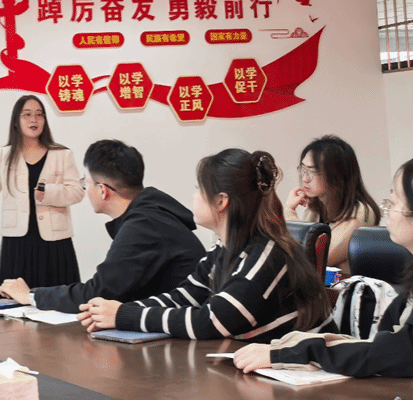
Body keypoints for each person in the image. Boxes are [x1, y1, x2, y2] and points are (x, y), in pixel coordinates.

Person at [77, 149, 332, 342]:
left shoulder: (266, 253)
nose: (194, 196)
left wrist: (124, 316)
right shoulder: (224, 248)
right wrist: (115, 311)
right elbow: (184, 297)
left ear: (221, 201)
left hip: (302, 374)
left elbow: (213, 320)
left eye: (199, 189)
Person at [234, 159, 413, 378]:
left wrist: (289, 353)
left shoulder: (358, 214)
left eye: (395, 200)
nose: (387, 209)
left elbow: (391, 352)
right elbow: (380, 346)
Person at [0, 139, 204, 313]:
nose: (85, 189)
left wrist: (30, 295)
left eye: (86, 183)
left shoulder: (144, 225)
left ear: (103, 190)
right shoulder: (150, 215)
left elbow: (99, 293)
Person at [0, 95, 83, 297]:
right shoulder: (5, 155)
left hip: (55, 242)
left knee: (60, 302)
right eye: (27, 115)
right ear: (16, 121)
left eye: (39, 115)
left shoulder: (62, 154)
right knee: (13, 304)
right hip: (17, 243)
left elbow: (77, 192)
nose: (34, 120)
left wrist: (49, 193)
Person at [284, 135, 380, 273]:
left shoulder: (361, 213)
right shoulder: (315, 207)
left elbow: (316, 258)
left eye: (312, 171)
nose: (305, 178)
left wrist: (289, 213)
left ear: (336, 176)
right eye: (303, 169)